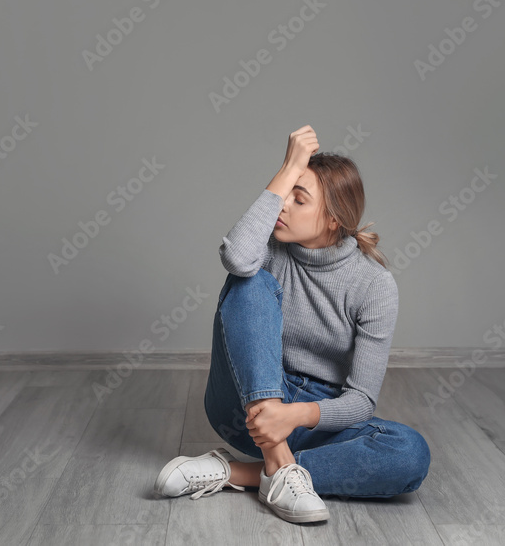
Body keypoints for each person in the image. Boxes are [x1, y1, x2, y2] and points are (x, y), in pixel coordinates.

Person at [153, 125, 431, 524]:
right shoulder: (269, 251)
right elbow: (235, 259)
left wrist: (294, 415)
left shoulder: (374, 285)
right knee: (248, 281)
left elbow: (361, 401)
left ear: (334, 219)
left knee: (409, 452)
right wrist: (288, 167)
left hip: (310, 417)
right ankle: (280, 468)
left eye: (298, 200)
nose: (282, 206)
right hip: (243, 405)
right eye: (285, 194)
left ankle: (240, 473)